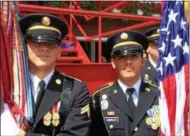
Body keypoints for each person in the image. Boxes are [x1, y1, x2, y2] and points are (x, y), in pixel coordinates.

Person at [18, 13, 91, 136]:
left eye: (50, 43)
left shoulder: (76, 90)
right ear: (26, 47)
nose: (44, 48)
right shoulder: (8, 87)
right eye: (37, 42)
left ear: (59, 51)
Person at [90, 31, 160, 136]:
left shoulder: (159, 95)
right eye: (122, 57)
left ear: (142, 61)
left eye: (134, 56)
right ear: (113, 63)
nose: (128, 62)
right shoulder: (99, 98)